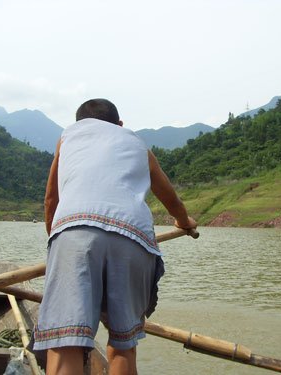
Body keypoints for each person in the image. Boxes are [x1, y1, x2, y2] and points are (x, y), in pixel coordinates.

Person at [33, 99, 196, 374]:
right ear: (120, 125)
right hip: (133, 235)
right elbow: (170, 196)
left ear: (78, 124)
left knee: (65, 343)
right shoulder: (137, 144)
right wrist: (184, 221)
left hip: (74, 230)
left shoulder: (68, 137)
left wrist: (58, 244)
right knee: (123, 344)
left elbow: (51, 199)